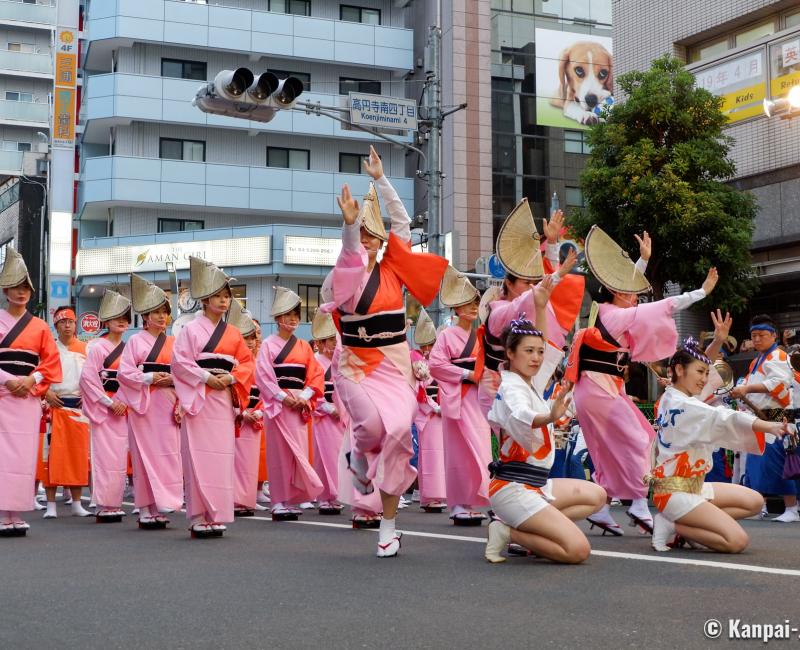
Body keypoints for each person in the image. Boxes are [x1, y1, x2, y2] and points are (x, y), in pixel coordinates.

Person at [325, 145, 448, 557]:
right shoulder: (345, 273)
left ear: (381, 241)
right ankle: (359, 455)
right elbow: (348, 255)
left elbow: (403, 222)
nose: (366, 239)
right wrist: (348, 226)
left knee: (397, 434)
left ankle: (389, 525)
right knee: (374, 430)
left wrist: (380, 179)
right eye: (361, 232)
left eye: (370, 234)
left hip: (395, 364)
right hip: (355, 365)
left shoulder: (394, 268)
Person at [565, 225, 718, 535]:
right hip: (598, 389)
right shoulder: (615, 315)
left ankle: (603, 508)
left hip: (603, 389)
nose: (635, 296)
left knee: (615, 448)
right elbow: (665, 305)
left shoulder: (612, 310)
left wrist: (643, 260)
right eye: (630, 292)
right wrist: (700, 292)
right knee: (641, 441)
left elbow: (628, 287)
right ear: (619, 293)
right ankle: (636, 502)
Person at [485, 309, 607, 564]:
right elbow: (521, 415)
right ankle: (508, 531)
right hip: (513, 488)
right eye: (528, 351)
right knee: (577, 551)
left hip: (537, 485)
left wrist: (541, 306)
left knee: (598, 495)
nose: (537, 358)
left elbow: (547, 348)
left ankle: (535, 525)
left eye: (539, 351)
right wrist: (550, 417)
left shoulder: (530, 382)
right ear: (510, 353)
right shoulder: (511, 387)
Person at [650, 338, 789, 552]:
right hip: (674, 494)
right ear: (678, 369)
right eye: (700, 373)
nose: (705, 379)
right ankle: (673, 524)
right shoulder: (685, 404)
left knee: (754, 502)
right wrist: (769, 426)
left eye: (706, 373)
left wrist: (718, 340)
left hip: (694, 487)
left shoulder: (674, 397)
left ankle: (689, 524)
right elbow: (724, 417)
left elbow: (707, 376)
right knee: (736, 541)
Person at [172, 256, 254, 538]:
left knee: (221, 456)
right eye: (217, 296)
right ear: (205, 300)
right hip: (201, 396)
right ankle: (197, 515)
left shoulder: (233, 332)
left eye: (226, 296)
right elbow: (180, 363)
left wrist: (230, 378)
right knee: (197, 456)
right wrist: (207, 377)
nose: (223, 301)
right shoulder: (191, 330)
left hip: (221, 399)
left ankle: (216, 512)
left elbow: (246, 362)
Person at [479, 202, 581, 417]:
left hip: (530, 381)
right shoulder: (498, 311)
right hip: (500, 387)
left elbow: (540, 290)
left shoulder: (532, 304)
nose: (533, 287)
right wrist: (556, 276)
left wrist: (552, 243)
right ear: (508, 283)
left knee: (535, 439)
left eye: (534, 282)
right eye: (526, 282)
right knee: (519, 437)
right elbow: (531, 297)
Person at [0, 247, 61, 537]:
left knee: (24, 455)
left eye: (25, 287)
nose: (21, 292)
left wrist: (31, 379)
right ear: (5, 290)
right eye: (15, 287)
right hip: (2, 394)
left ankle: (16, 512)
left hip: (27, 396)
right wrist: (7, 380)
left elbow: (50, 361)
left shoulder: (40, 326)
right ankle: (3, 513)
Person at [117, 274, 183, 529]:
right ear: (145, 316)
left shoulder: (174, 342)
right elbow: (124, 372)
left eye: (164, 312)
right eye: (155, 312)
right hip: (146, 402)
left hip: (167, 402)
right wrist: (150, 377)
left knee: (168, 454)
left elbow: (184, 371)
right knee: (145, 455)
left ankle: (162, 503)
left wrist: (174, 384)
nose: (160, 317)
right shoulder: (135, 341)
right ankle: (145, 507)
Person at [255, 287, 324, 521]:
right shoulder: (267, 345)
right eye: (288, 315)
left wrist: (304, 397)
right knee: (279, 454)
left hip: (298, 403)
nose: (293, 319)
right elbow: (264, 376)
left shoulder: (305, 347)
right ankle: (278, 501)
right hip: (279, 404)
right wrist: (284, 398)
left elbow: (315, 375)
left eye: (296, 314)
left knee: (298, 453)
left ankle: (293, 498)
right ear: (277, 318)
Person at [429, 267, 491, 525]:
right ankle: (457, 503)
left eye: (475, 303)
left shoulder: (481, 336)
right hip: (458, 397)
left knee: (480, 448)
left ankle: (475, 499)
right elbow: (435, 365)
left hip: (478, 399)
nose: (472, 308)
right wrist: (467, 375)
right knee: (458, 452)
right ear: (456, 309)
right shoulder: (446, 336)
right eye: (467, 304)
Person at [736, 314, 799, 523]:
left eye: (761, 335)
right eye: (753, 336)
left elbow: (779, 384)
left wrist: (748, 388)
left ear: (773, 336)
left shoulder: (779, 355)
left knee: (780, 463)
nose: (756, 339)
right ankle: (758, 506)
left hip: (778, 417)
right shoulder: (757, 360)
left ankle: (791, 508)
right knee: (756, 466)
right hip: (762, 418)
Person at [80, 289, 132, 523]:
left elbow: (132, 378)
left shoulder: (129, 348)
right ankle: (102, 503)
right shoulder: (97, 347)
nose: (121, 321)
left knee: (119, 457)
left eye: (125, 317)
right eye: (116, 317)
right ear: (106, 321)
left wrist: (122, 401)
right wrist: (109, 402)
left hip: (122, 407)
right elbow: (89, 379)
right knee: (103, 456)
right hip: (105, 406)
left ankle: (115, 502)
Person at [41, 306, 92, 519]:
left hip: (78, 407)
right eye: (63, 322)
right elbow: (39, 376)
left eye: (71, 321)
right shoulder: (49, 349)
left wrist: (88, 395)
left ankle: (77, 503)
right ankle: (51, 504)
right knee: (52, 456)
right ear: (57, 325)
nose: (68, 326)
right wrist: (45, 394)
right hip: (55, 405)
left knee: (78, 455)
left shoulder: (85, 348)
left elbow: (92, 378)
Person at [310, 309, 346, 515]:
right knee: (323, 456)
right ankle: (325, 496)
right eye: (329, 340)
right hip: (323, 414)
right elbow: (313, 388)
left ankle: (336, 494)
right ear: (320, 343)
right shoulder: (315, 362)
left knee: (337, 456)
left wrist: (341, 408)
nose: (333, 344)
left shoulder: (340, 362)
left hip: (339, 415)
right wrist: (326, 407)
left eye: (335, 339)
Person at [411, 308, 446, 513]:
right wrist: (434, 407)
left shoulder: (436, 361)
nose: (430, 348)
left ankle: (435, 495)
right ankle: (428, 496)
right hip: (427, 412)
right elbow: (419, 391)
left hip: (438, 412)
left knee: (437, 454)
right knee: (427, 453)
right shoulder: (415, 359)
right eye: (429, 344)